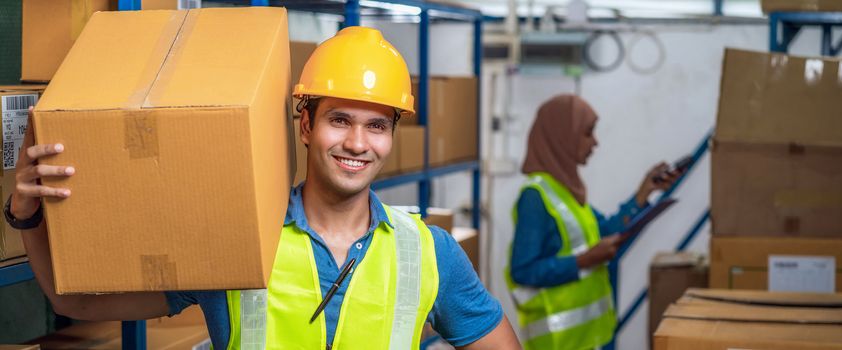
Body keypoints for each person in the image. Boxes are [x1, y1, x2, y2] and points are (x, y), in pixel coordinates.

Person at [10, 26, 521, 350]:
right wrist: (27, 214)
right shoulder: (235, 236)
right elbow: (75, 303)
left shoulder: (428, 253)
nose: (357, 143)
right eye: (339, 120)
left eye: (377, 125)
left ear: (392, 136)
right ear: (306, 127)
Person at [505, 94, 682, 349]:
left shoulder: (567, 190)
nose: (595, 143)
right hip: (558, 342)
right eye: (588, 133)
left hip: (589, 337)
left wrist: (644, 193)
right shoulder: (535, 197)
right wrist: (583, 261)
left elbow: (604, 232)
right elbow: (523, 271)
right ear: (562, 135)